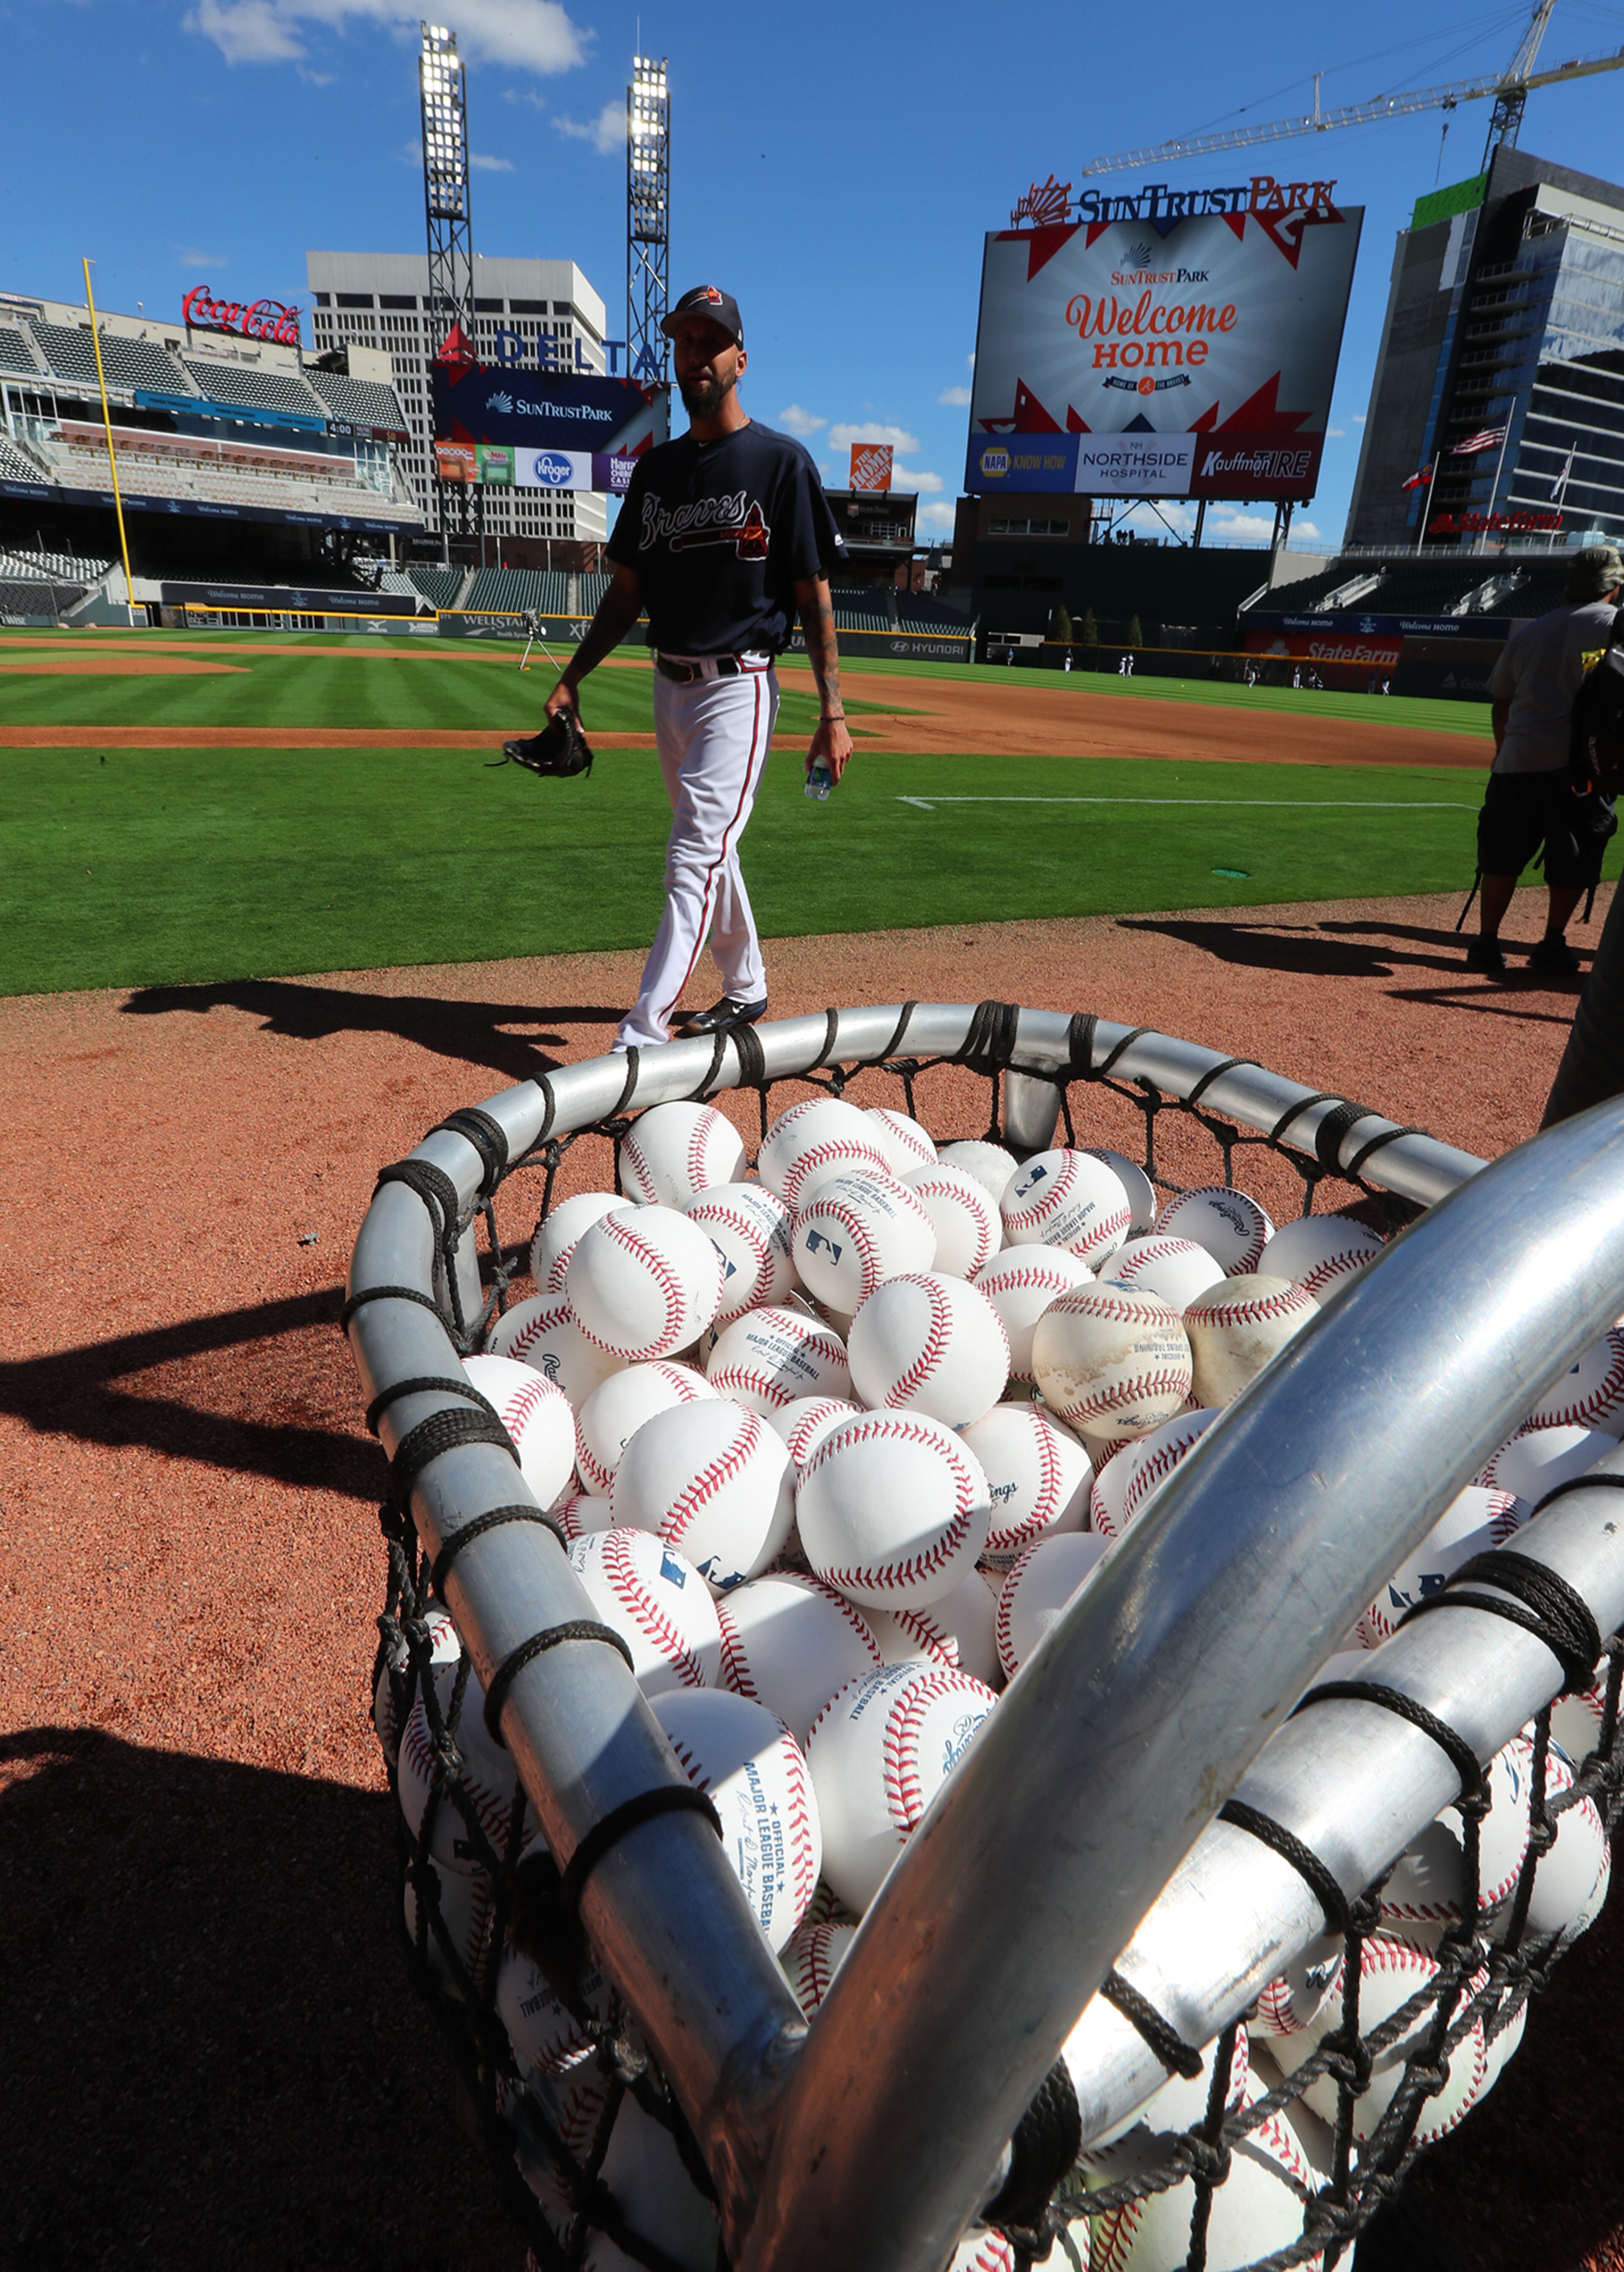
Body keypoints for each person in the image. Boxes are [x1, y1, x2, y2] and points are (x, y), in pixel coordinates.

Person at [533, 284, 851, 1048]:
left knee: (692, 857)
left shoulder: (781, 464)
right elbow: (625, 594)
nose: (697, 355)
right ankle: (746, 987)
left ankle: (640, 1038)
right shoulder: (658, 473)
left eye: (712, 342)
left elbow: (813, 593)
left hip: (739, 688)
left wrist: (832, 711)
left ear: (741, 357)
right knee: (707, 846)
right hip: (668, 688)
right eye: (685, 342)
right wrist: (574, 675)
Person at [1468, 544, 1624, 976]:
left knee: (1501, 854)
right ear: (1613, 587)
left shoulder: (1531, 630)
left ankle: (1486, 942)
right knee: (1575, 852)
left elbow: (1502, 700)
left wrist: (1505, 750)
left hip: (1516, 762)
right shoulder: (1615, 626)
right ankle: (1552, 942)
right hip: (1578, 770)